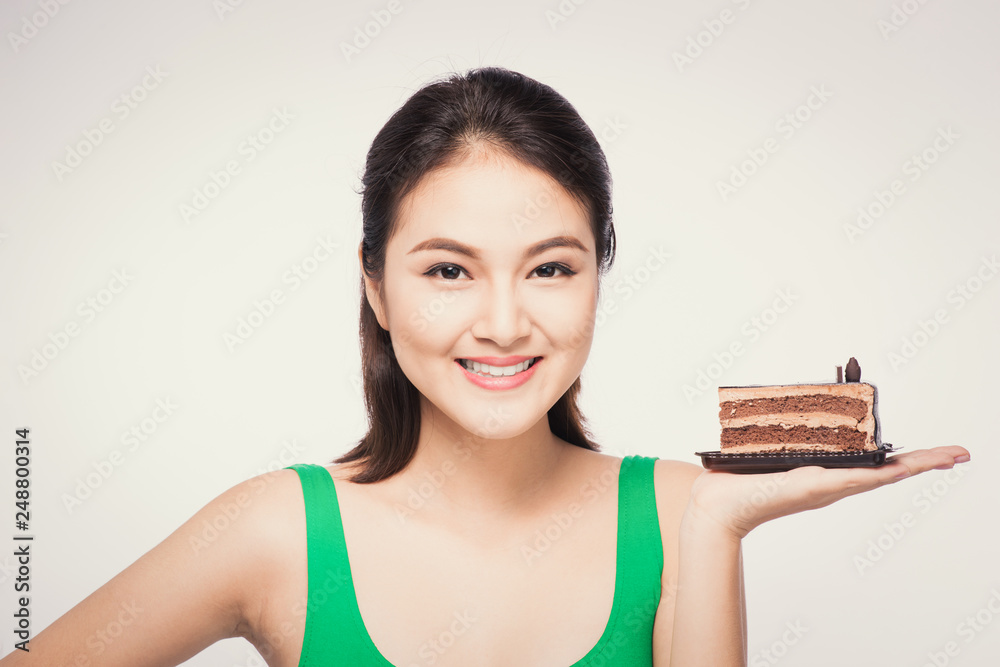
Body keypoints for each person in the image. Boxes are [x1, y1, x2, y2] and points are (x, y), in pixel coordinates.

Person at [2, 67, 970, 667]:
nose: (504, 325)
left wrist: (718, 526)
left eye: (550, 268)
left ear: (598, 277)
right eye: (448, 270)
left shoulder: (683, 514)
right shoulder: (277, 530)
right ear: (377, 287)